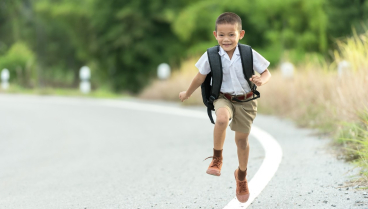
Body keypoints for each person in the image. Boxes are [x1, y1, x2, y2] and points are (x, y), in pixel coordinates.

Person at [178, 12, 271, 203]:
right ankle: (217, 158)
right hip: (223, 98)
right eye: (221, 35)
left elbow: (266, 72)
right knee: (221, 119)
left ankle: (241, 176)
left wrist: (261, 80)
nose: (226, 39)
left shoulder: (247, 53)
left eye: (231, 34)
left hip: (246, 100)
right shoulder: (211, 55)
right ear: (215, 35)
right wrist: (187, 92)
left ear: (241, 34)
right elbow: (200, 77)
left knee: (241, 141)